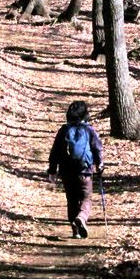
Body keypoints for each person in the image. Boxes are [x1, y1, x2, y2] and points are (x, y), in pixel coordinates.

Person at [48, 101, 104, 238]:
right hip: (84, 171)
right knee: (86, 198)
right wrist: (100, 164)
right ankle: (82, 217)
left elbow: (55, 151)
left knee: (71, 199)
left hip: (67, 172)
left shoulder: (64, 129)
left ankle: (75, 230)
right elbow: (97, 148)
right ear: (85, 114)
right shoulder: (89, 129)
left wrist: (52, 170)